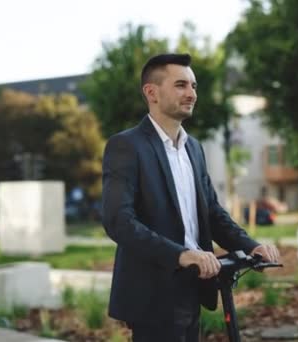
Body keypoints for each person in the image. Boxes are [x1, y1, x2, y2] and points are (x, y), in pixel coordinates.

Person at [101, 53, 280, 342]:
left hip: (195, 285)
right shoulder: (127, 146)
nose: (192, 94)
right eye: (181, 85)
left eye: (194, 86)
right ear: (152, 92)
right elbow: (117, 221)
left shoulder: (193, 148)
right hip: (152, 293)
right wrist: (180, 254)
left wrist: (252, 246)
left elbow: (211, 212)